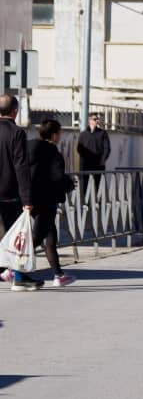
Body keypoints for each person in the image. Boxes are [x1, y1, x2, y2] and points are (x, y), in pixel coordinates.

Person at [26, 119, 76, 286]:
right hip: (47, 200)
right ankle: (13, 268)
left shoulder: (29, 148)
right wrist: (69, 183)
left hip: (30, 198)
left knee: (50, 236)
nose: (60, 136)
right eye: (59, 133)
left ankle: (58, 274)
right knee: (38, 236)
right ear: (54, 135)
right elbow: (57, 177)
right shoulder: (53, 153)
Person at [0, 94, 38, 290]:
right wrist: (27, 199)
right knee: (17, 236)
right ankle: (19, 277)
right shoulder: (16, 133)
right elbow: (21, 167)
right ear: (15, 111)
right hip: (10, 194)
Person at [76, 113, 110, 189]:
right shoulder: (83, 134)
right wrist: (85, 159)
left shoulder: (102, 133)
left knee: (99, 188)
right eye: (95, 119)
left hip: (98, 166)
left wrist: (102, 161)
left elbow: (107, 149)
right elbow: (79, 149)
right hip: (86, 166)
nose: (97, 121)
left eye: (97, 119)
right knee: (85, 187)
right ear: (90, 120)